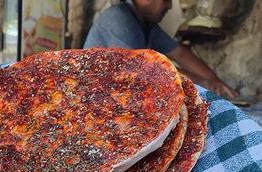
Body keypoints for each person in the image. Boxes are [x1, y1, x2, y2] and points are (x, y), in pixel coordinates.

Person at [84, 0, 237, 99]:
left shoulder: (146, 24)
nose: (169, 6)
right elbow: (143, 69)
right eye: (166, 0)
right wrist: (204, 83)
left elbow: (179, 52)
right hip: (94, 101)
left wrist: (214, 80)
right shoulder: (119, 17)